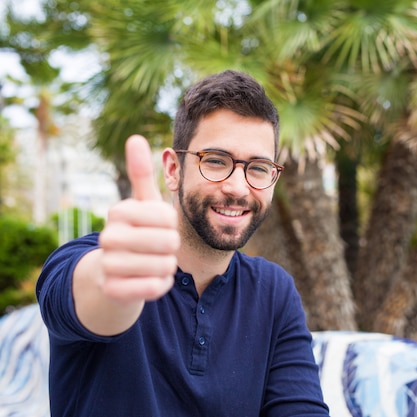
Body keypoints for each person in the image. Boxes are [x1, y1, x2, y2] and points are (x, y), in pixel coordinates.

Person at [36, 70, 330, 417]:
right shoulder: (87, 259)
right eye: (217, 161)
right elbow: (94, 295)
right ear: (173, 170)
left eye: (258, 167)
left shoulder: (274, 291)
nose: (238, 187)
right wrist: (120, 287)